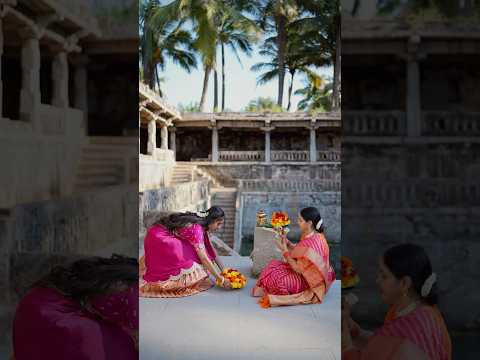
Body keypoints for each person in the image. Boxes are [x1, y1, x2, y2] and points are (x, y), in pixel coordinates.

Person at [12, 255, 138, 360]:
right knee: (120, 349)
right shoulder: (137, 294)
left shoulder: (133, 276)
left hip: (36, 304)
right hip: (50, 314)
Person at [342, 243, 451, 360]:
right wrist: (357, 333)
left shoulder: (403, 329)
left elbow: (389, 347)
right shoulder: (429, 313)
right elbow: (384, 346)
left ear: (404, 283)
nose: (377, 280)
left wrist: (346, 346)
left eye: (384, 276)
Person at [251, 207, 336, 308]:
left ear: (309, 223)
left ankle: (279, 292)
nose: (297, 222)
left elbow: (297, 269)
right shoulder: (314, 235)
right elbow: (300, 250)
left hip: (309, 282)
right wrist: (288, 243)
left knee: (279, 280)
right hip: (304, 272)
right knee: (272, 265)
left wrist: (284, 251)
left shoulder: (314, 241)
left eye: (300, 220)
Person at [139, 206, 232, 297]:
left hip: (158, 234)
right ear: (211, 221)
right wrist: (221, 279)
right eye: (218, 224)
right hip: (159, 239)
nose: (219, 227)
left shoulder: (202, 224)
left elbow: (210, 249)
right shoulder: (197, 230)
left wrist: (224, 271)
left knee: (199, 256)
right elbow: (204, 258)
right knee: (197, 266)